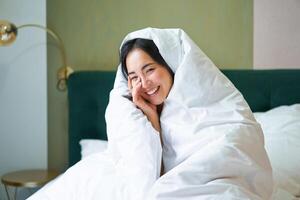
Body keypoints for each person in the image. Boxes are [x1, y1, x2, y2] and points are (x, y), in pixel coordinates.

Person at [28, 28, 273, 200]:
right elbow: (141, 178)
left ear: (171, 65)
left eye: (150, 70)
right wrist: (152, 125)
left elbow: (234, 148)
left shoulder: (219, 107)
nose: (143, 83)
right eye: (133, 77)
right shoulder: (140, 113)